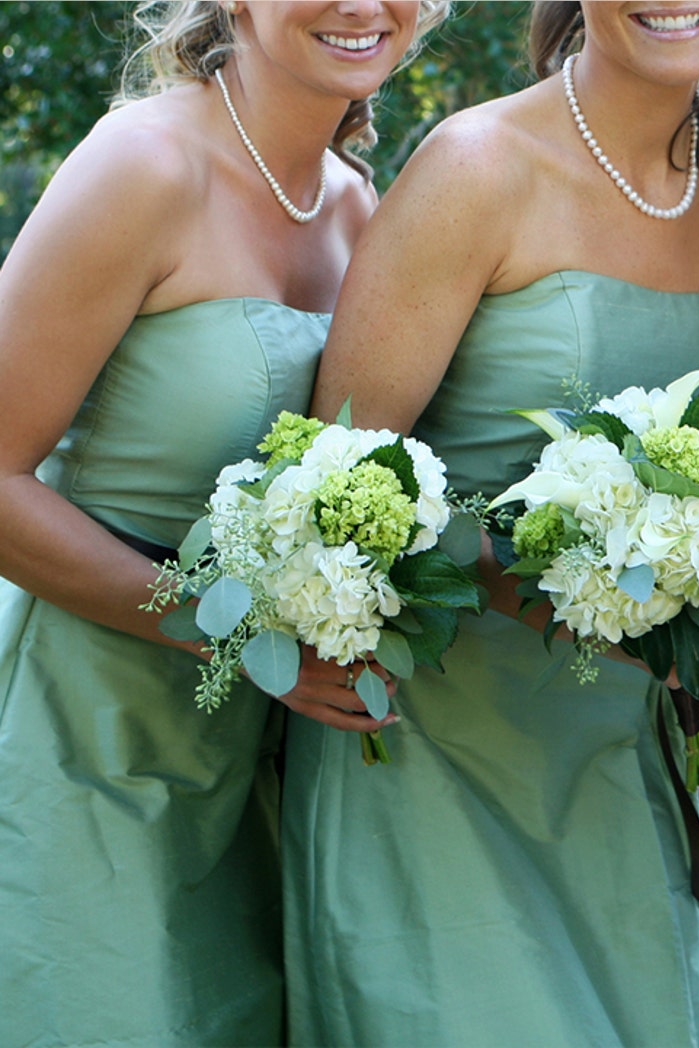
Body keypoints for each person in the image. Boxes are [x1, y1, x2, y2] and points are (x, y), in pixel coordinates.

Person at [279, 2, 699, 1043]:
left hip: (615, 758)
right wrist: (543, 582)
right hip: (432, 753)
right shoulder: (477, 166)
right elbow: (338, 481)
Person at [0, 1, 440, 1043]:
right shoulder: (145, 165)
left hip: (255, 759)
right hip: (80, 727)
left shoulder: (356, 203)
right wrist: (230, 630)